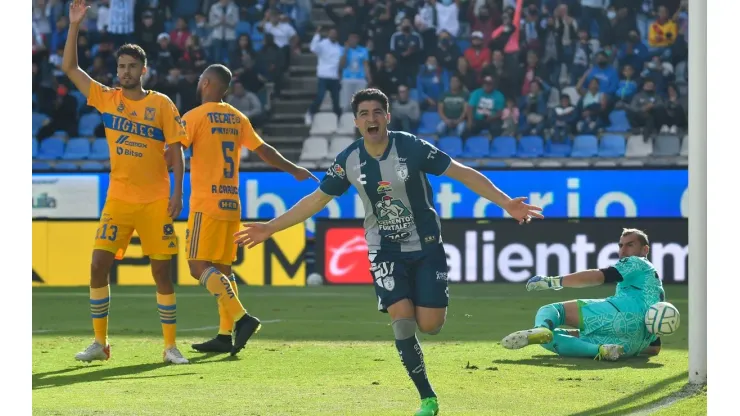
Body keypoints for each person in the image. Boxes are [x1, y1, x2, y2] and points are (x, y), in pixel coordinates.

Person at [233, 88, 544, 416]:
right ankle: (427, 398)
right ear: (356, 122)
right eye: (364, 113)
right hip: (384, 250)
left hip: (426, 247)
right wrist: (270, 227)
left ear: (387, 117)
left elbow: (461, 172)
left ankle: (425, 344)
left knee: (431, 324)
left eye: (377, 112)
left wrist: (506, 202)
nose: (371, 118)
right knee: (402, 322)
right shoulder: (349, 160)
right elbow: (316, 199)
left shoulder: (411, 147)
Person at [63, 0, 188, 364]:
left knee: (161, 272)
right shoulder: (106, 98)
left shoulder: (162, 105)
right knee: (98, 264)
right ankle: (100, 344)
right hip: (118, 199)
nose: (126, 72)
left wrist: (178, 191)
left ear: (144, 70)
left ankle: (169, 346)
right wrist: (75, 25)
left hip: (155, 201)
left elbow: (177, 151)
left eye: (132, 67)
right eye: (121, 67)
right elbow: (69, 67)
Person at [180, 64, 318, 355]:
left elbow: (174, 148)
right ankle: (224, 334)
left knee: (197, 266)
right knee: (223, 270)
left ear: (205, 83)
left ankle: (242, 318)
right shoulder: (237, 117)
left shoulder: (193, 116)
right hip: (231, 204)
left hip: (205, 203)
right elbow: (264, 149)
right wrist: (294, 169)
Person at [501, 228, 665, 361]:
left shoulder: (636, 262)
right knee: (551, 339)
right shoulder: (657, 289)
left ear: (645, 250)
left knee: (554, 310)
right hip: (633, 345)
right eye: (621, 245)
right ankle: (601, 350)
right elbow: (654, 348)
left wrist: (554, 281)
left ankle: (541, 328)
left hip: (619, 314)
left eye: (630, 245)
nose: (623, 250)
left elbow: (599, 276)